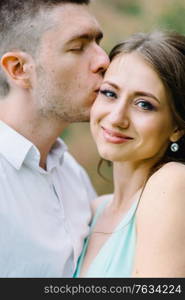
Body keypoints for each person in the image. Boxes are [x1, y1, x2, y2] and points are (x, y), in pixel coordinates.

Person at [0, 0, 109, 277]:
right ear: (19, 69)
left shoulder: (72, 174)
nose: (103, 61)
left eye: (97, 42)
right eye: (78, 47)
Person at [74, 30, 185, 278]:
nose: (116, 118)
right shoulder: (93, 211)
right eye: (109, 93)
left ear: (177, 128)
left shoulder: (174, 183)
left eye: (144, 104)